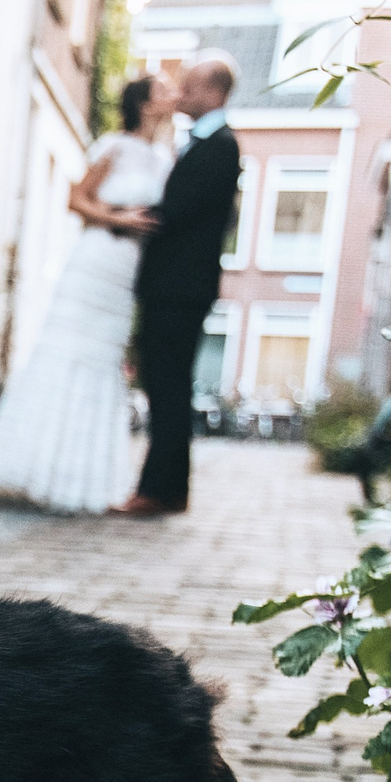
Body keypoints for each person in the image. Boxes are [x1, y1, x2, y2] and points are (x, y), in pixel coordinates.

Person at [0, 76, 174, 513]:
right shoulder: (114, 147)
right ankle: (22, 463)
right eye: (163, 89)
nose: (171, 95)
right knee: (63, 353)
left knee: (102, 361)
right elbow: (76, 199)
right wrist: (118, 217)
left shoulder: (164, 158)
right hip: (97, 260)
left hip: (126, 274)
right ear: (143, 102)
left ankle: (78, 476)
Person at [112, 53, 241, 516]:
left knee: (166, 385)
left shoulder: (221, 146)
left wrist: (117, 219)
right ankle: (170, 488)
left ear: (213, 92)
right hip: (177, 288)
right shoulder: (198, 143)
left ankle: (157, 490)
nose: (181, 93)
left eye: (189, 85)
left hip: (179, 289)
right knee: (167, 384)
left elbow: (176, 212)